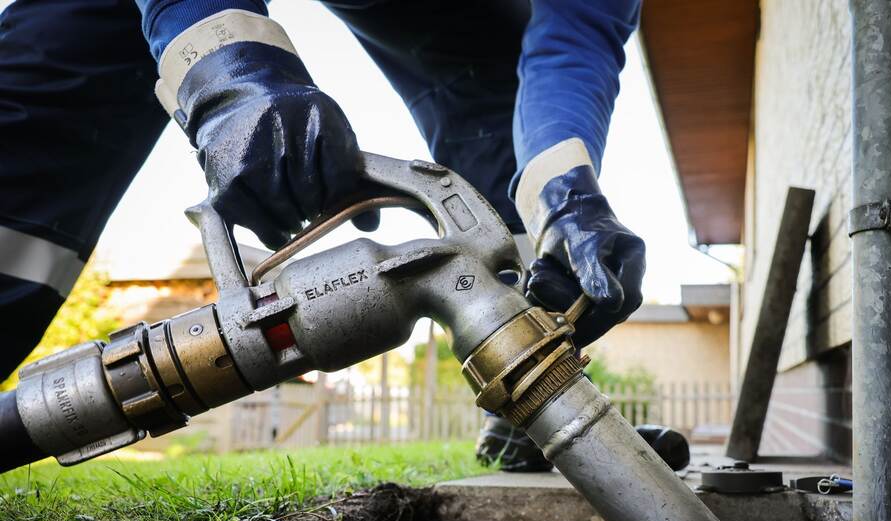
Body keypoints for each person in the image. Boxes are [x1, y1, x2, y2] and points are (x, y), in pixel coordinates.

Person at [0, 0, 646, 471]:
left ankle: (534, 400)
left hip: (449, 23)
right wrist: (232, 81)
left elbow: (572, 46)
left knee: (504, 170)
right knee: (62, 79)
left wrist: (568, 197)